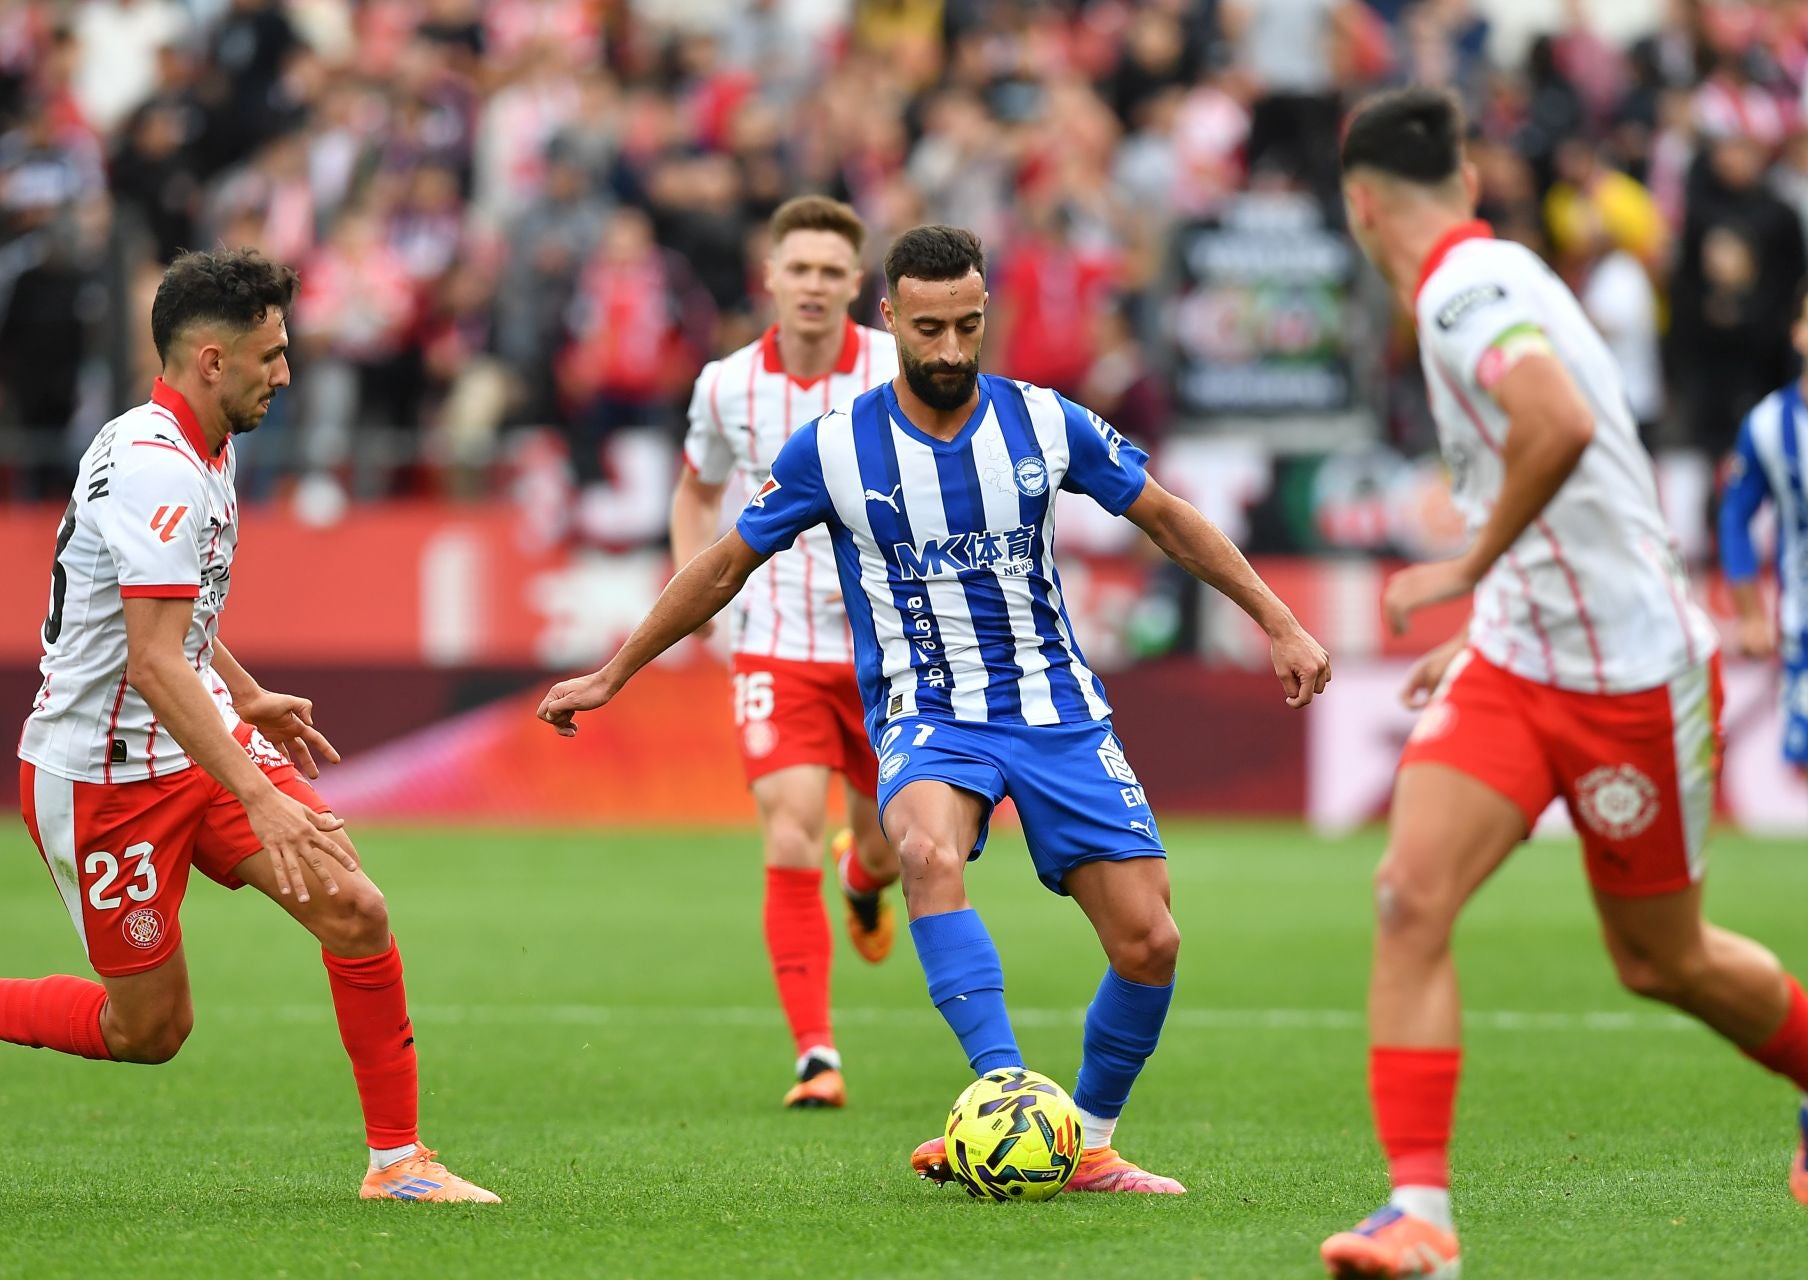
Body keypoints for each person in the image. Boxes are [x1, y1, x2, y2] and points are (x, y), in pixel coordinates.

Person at [541, 224, 1331, 1193]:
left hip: (1057, 711)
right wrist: (615, 669)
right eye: (928, 330)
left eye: (967, 326)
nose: (950, 350)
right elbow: (723, 562)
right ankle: (1000, 1094)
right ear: (892, 321)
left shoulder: (1045, 422)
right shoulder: (835, 447)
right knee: (921, 848)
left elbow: (1165, 513)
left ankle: (1087, 1140)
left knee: (1151, 940)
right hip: (929, 710)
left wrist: (1280, 622)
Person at [0, 248, 496, 1204]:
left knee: (355, 909)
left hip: (193, 734)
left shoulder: (201, 442)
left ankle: (398, 1162)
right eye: (271, 355)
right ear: (210, 360)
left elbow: (177, 621)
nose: (286, 373)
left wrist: (244, 693)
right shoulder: (156, 470)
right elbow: (151, 661)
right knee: (149, 1032)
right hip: (101, 775)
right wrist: (260, 791)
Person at [1324, 87, 1808, 1279]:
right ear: (1471, 185)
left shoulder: (1457, 291)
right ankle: (1420, 1216)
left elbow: (1558, 425)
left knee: (1662, 960)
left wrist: (1463, 568)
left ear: (1359, 203)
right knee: (1408, 897)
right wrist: (1495, 610)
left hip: (1631, 669)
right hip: (1523, 652)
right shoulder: (1504, 274)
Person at [671, 195, 904, 1110]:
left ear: (857, 284)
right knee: (790, 827)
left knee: (897, 848)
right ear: (769, 276)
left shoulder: (897, 367)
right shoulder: (726, 385)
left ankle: (864, 878)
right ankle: (816, 1054)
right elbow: (696, 492)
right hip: (774, 641)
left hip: (892, 645)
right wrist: (695, 587)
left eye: (830, 271)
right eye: (796, 268)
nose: (811, 285)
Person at [1718, 283, 1808, 775]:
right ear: (1798, 333)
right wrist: (1752, 613)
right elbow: (1734, 516)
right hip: (1803, 623)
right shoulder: (1770, 425)